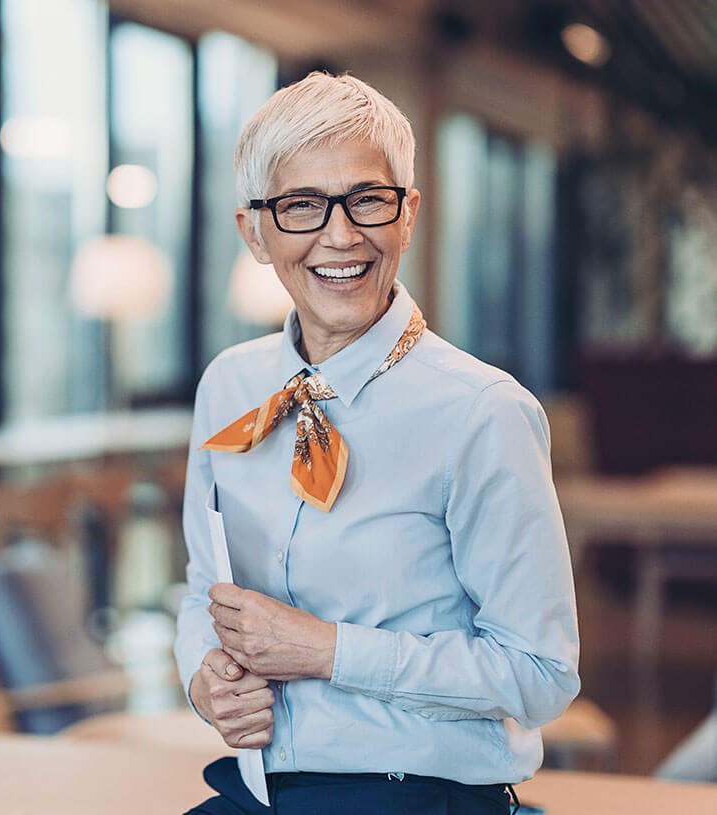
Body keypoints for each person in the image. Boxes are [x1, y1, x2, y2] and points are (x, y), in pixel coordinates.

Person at [175, 71, 579, 815]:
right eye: (301, 205)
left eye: (367, 199)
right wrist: (206, 682)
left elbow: (540, 671)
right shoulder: (228, 386)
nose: (341, 235)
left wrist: (328, 651)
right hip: (257, 788)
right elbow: (206, 589)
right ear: (254, 232)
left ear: (408, 215)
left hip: (415, 796)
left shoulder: (483, 411)